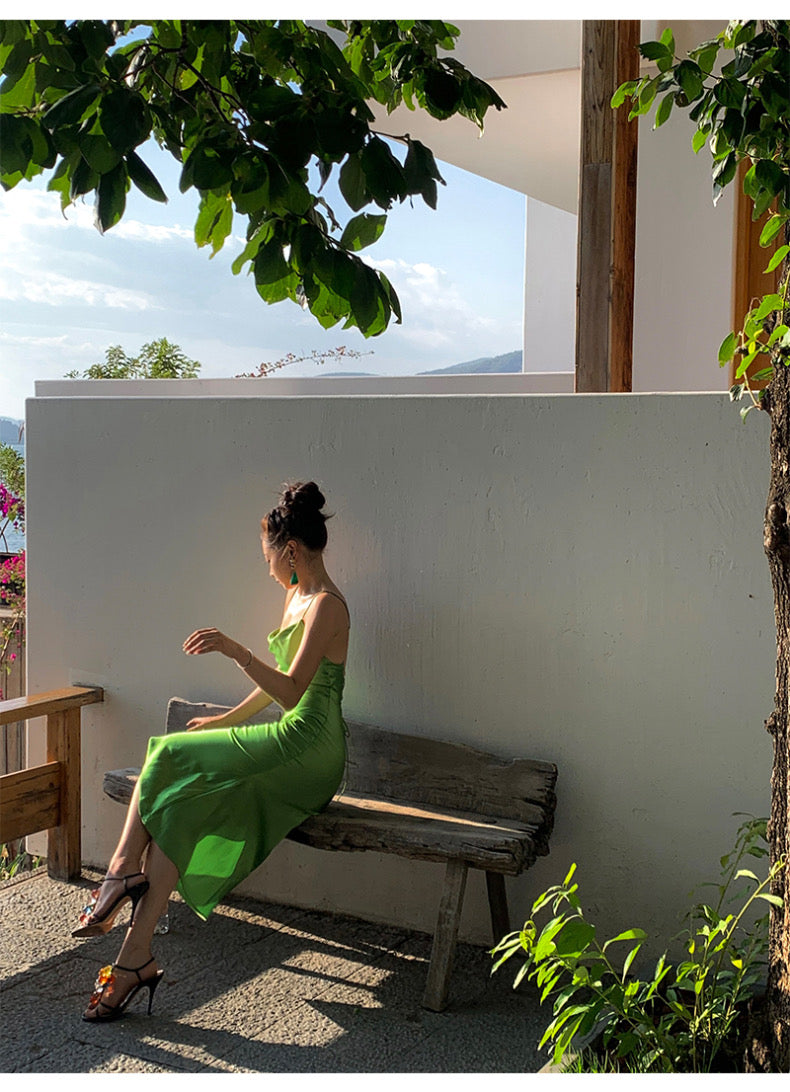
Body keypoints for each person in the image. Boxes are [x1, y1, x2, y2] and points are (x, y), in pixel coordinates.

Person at [74, 481, 349, 1022]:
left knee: (166, 752)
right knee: (179, 809)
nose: (266, 567)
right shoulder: (295, 596)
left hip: (311, 750)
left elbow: (293, 692)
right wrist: (225, 721)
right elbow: (277, 686)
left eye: (268, 556)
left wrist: (235, 650)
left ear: (291, 551)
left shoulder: (327, 607)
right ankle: (134, 960)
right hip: (289, 740)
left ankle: (120, 873)